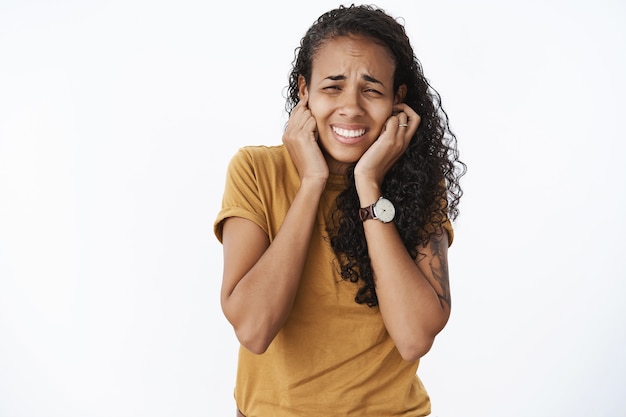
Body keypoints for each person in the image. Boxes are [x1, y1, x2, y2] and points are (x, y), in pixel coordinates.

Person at [214, 4, 465, 416]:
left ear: (397, 99)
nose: (351, 107)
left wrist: (368, 185)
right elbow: (254, 329)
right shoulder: (256, 171)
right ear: (304, 91)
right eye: (333, 86)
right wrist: (312, 182)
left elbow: (414, 336)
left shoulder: (419, 182)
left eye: (371, 89)